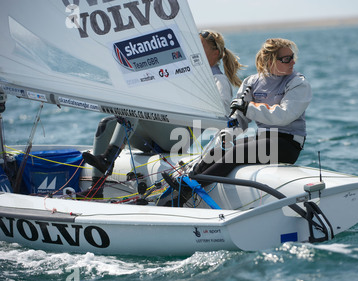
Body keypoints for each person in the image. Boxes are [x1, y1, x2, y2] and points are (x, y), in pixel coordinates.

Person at [81, 30, 244, 198]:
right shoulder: (187, 75)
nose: (194, 51)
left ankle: (108, 159)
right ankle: (96, 188)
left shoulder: (218, 80)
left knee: (135, 110)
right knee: (106, 125)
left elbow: (223, 115)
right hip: (160, 135)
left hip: (179, 138)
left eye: (200, 47)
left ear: (215, 53)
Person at [184, 38, 312, 201]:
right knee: (221, 149)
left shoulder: (298, 83)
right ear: (269, 60)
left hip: (288, 144)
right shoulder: (252, 82)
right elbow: (240, 118)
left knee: (236, 152)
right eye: (286, 59)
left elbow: (284, 115)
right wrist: (228, 134)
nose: (292, 62)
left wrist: (248, 107)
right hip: (264, 139)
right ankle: (186, 181)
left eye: (292, 57)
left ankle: (187, 192)